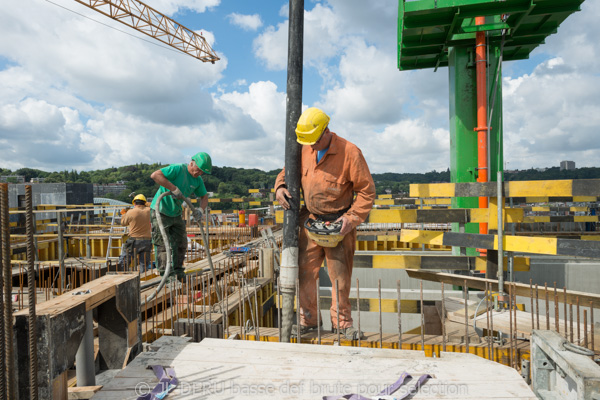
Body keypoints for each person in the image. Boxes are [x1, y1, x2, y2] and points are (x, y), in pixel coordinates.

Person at [275, 107, 375, 340]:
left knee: (340, 277)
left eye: (315, 141)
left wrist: (350, 219)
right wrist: (280, 186)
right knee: (305, 273)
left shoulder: (350, 152)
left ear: (326, 131)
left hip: (339, 224)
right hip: (309, 220)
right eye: (307, 142)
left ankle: (342, 324)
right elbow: (286, 172)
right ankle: (308, 321)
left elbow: (367, 192)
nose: (311, 146)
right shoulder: (305, 149)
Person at [150, 152, 212, 282]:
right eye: (198, 170)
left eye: (202, 172)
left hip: (176, 213)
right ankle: (166, 275)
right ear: (191, 163)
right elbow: (155, 175)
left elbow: (204, 197)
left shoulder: (197, 180)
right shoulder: (178, 169)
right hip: (160, 210)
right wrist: (173, 188)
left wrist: (200, 209)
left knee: (181, 242)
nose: (199, 173)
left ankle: (178, 271)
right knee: (162, 244)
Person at [120, 194, 152, 271]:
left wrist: (124, 214)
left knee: (124, 262)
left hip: (134, 241)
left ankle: (124, 277)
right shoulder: (149, 210)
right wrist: (146, 204)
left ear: (134, 203)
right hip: (147, 241)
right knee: (144, 264)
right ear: (144, 202)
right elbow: (153, 206)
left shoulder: (131, 212)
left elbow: (123, 223)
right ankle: (143, 280)